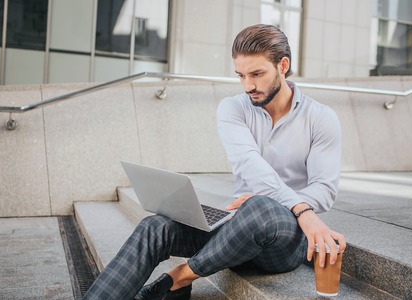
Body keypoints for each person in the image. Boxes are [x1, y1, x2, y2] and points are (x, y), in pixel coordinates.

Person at [83, 24, 346, 300]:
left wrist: (296, 209)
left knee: (260, 208)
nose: (248, 86)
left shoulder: (321, 118)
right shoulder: (233, 108)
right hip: (234, 231)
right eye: (241, 75)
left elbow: (325, 189)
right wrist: (268, 204)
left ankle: (178, 278)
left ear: (283, 65)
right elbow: (248, 164)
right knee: (155, 226)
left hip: (284, 237)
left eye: (257, 74)